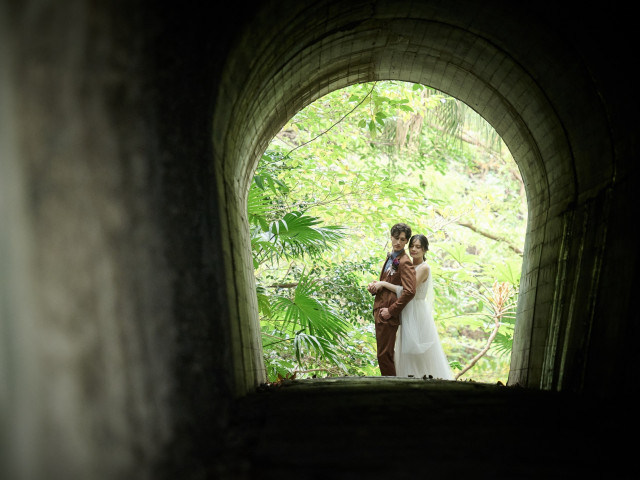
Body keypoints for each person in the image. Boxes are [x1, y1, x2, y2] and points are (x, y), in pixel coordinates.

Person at [373, 234, 453, 380]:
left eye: (418, 247)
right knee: (404, 350)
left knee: (418, 351)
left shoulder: (424, 268)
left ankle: (425, 380)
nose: (414, 249)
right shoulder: (406, 263)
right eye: (412, 246)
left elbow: (408, 290)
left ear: (425, 250)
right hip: (406, 309)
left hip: (417, 311)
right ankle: (406, 380)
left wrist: (383, 284)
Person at [367, 223, 416, 376]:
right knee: (383, 355)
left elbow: (410, 291)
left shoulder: (404, 261)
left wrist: (391, 311)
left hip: (387, 313)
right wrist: (376, 286)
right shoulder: (391, 257)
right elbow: (390, 282)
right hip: (380, 309)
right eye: (396, 238)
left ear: (406, 241)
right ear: (391, 237)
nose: (398, 242)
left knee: (384, 355)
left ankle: (391, 391)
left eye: (402, 240)